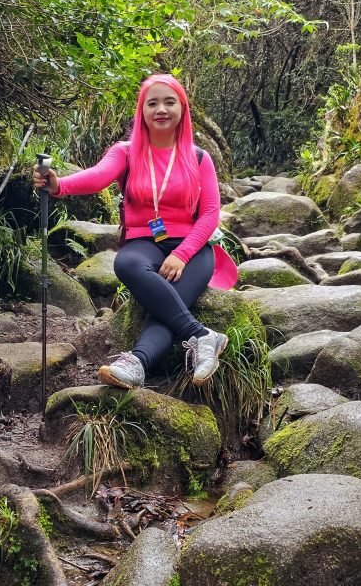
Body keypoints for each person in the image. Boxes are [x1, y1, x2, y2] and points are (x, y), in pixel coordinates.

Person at [33, 74, 236, 389]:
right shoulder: (126, 152)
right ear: (142, 111)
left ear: (182, 108)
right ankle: (201, 336)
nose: (161, 109)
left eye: (169, 102)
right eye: (152, 103)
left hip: (193, 248)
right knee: (126, 264)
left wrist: (182, 254)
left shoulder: (198, 158)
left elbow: (210, 213)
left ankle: (137, 363)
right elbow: (98, 177)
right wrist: (60, 185)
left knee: (167, 306)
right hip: (145, 242)